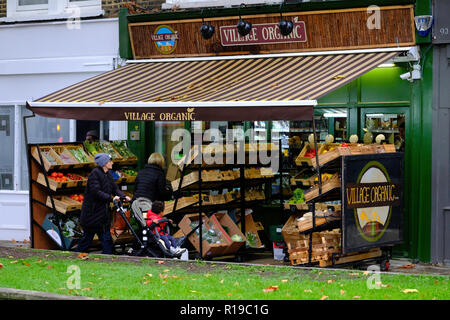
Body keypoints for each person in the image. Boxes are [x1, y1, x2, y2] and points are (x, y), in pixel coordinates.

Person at [76, 152, 131, 254]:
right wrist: (111, 199)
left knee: (106, 239)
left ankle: (108, 257)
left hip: (102, 214)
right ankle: (76, 254)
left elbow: (114, 188)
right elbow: (96, 192)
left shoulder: (108, 174)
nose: (112, 163)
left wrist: (124, 196)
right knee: (87, 239)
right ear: (104, 163)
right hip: (92, 214)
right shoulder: (95, 174)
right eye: (110, 161)